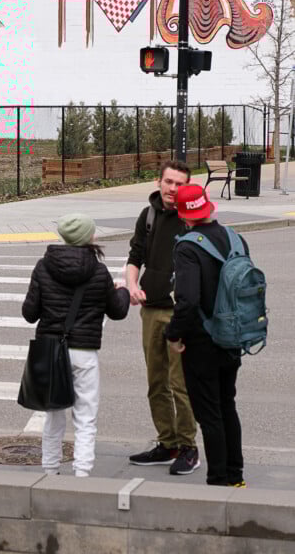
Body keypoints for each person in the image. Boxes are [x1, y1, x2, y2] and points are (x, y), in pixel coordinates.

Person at [22, 213, 129, 477]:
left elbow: (29, 313)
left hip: (51, 353)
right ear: (88, 237)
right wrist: (122, 290)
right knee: (85, 418)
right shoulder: (99, 271)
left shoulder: (43, 266)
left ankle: (49, 472)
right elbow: (117, 312)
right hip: (84, 352)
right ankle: (81, 475)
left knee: (54, 416)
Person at [165, 183, 247, 487]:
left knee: (209, 414)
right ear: (208, 206)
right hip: (233, 336)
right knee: (228, 405)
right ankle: (235, 477)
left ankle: (218, 481)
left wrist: (173, 335)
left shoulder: (188, 247)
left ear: (183, 215)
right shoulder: (235, 238)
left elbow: (186, 301)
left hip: (202, 343)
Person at [126, 160, 200, 475]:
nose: (172, 189)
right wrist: (131, 284)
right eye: (168, 182)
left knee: (179, 383)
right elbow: (135, 256)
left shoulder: (192, 219)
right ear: (159, 181)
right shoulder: (149, 215)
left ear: (187, 186)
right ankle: (167, 443)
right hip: (150, 310)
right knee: (156, 382)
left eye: (179, 183)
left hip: (180, 313)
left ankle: (188, 447)